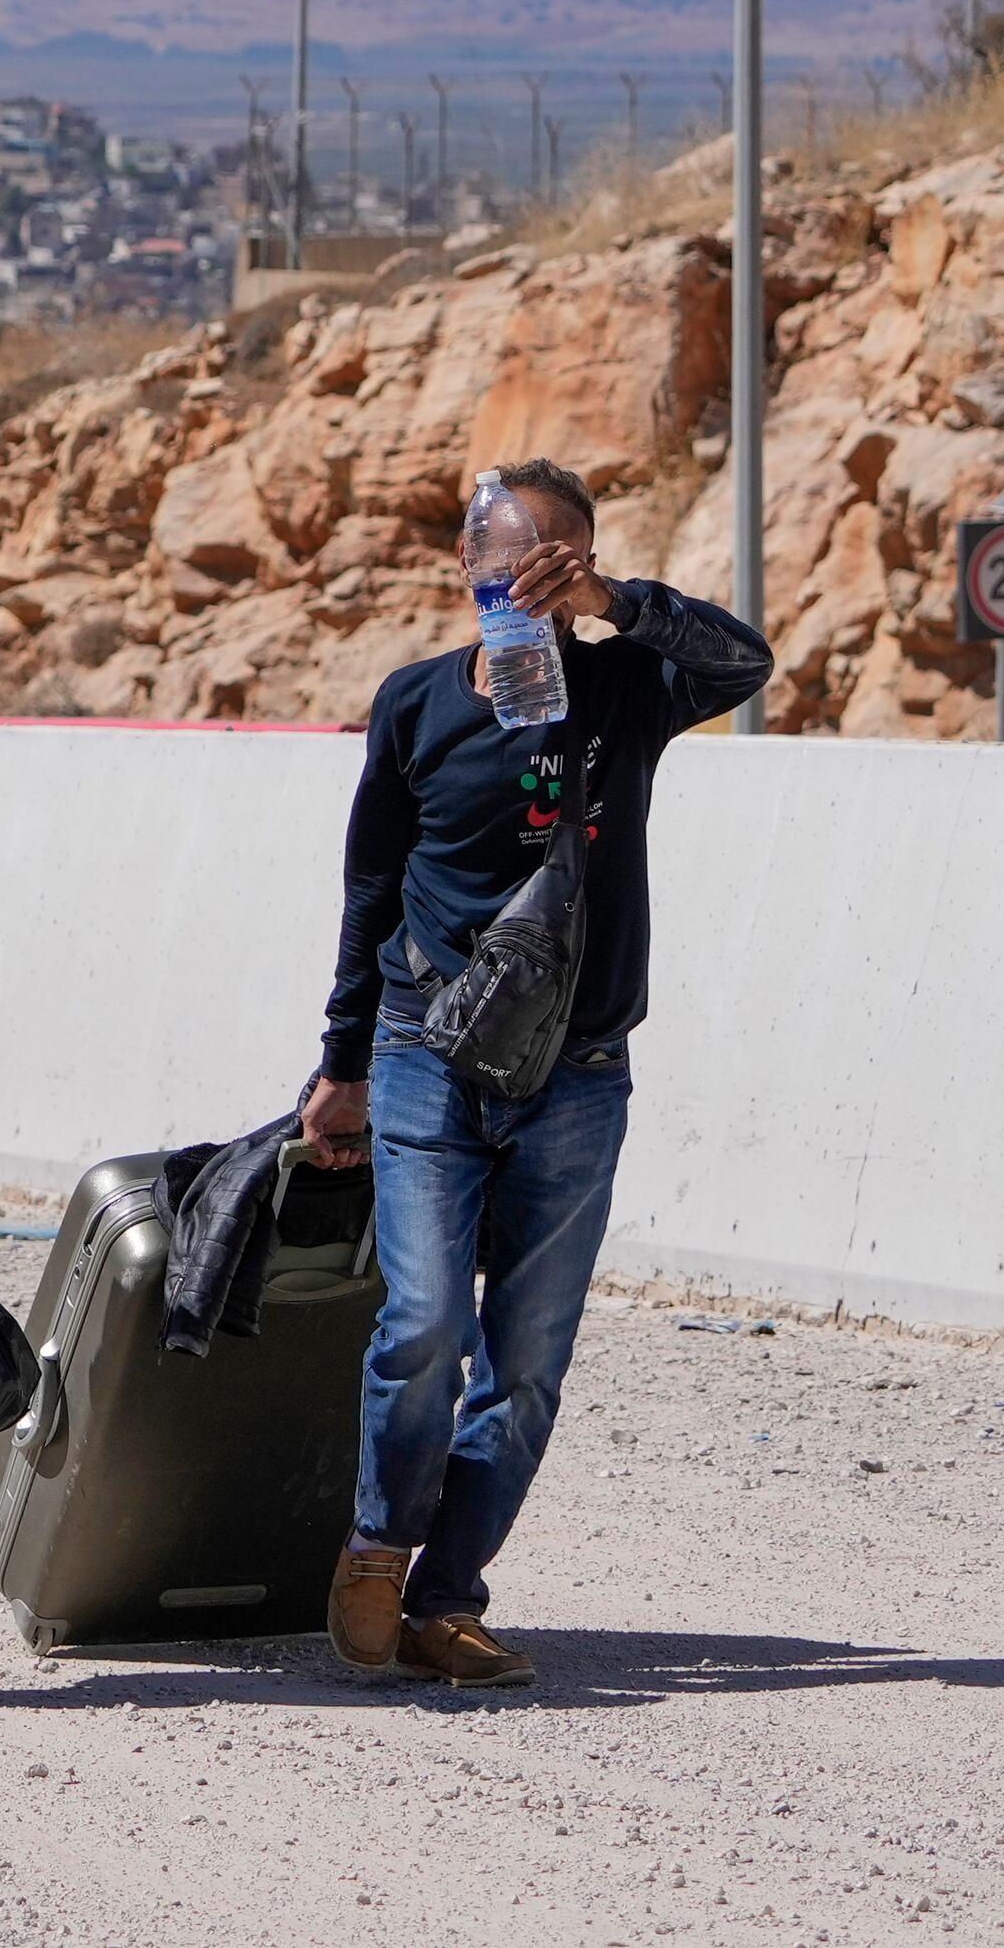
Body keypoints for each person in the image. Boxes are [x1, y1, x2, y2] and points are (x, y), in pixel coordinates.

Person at [302, 457, 765, 1690]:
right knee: (423, 1324)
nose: (531, 580)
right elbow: (365, 892)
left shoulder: (624, 685)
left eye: (557, 561)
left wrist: (615, 599)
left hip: (578, 1069)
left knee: (525, 1360)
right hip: (424, 1056)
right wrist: (339, 1063)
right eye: (514, 558)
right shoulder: (412, 704)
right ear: (468, 567)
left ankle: (447, 1596)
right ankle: (373, 1549)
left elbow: (742, 661)